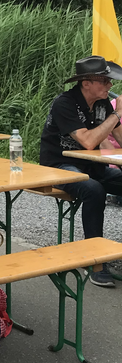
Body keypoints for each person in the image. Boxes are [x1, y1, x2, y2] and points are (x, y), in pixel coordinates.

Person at [40, 55, 122, 287]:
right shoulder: (64, 103)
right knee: (93, 190)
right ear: (86, 83)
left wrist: (116, 118)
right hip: (58, 166)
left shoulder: (102, 104)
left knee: (96, 182)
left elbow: (119, 138)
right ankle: (95, 259)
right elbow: (87, 141)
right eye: (105, 81)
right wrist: (117, 113)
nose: (110, 86)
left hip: (91, 166)